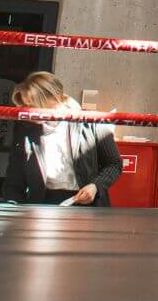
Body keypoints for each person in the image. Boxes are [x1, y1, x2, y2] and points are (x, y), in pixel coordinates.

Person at [9, 72, 122, 206]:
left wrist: (95, 186)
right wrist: (14, 208)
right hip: (42, 205)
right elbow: (14, 178)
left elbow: (114, 164)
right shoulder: (25, 130)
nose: (28, 113)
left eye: (32, 106)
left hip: (87, 205)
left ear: (53, 100)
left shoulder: (92, 121)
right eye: (25, 107)